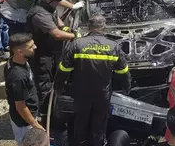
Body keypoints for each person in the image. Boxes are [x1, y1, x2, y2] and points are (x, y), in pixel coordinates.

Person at [55, 15, 130, 146]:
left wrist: (58, 86)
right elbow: (123, 71)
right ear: (104, 27)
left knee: (80, 121)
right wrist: (126, 87)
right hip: (102, 95)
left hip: (81, 94)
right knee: (99, 124)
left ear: (89, 27)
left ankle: (80, 142)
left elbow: (63, 69)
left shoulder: (77, 44)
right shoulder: (113, 46)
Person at [25, 0, 77, 123]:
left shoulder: (50, 7)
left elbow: (56, 20)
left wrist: (65, 27)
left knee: (56, 80)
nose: (59, 3)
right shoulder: (39, 14)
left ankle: (55, 108)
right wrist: (74, 36)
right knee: (44, 85)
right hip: (41, 56)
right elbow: (56, 34)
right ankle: (45, 116)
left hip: (51, 53)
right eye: (57, 1)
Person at [4, 33, 43, 145]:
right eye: (30, 46)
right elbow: (20, 106)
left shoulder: (15, 60)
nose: (35, 47)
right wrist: (35, 125)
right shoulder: (18, 77)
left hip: (28, 116)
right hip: (24, 123)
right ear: (20, 52)